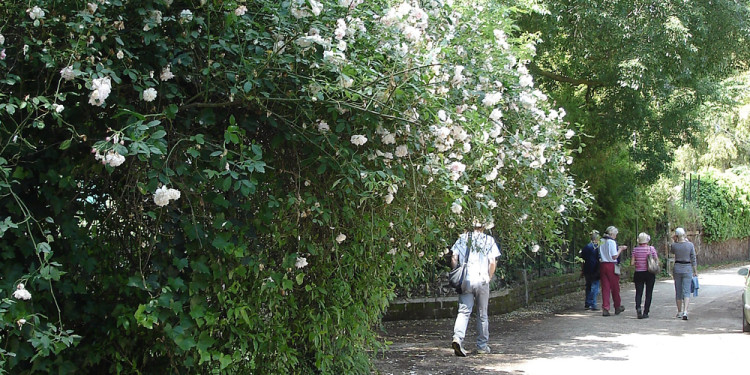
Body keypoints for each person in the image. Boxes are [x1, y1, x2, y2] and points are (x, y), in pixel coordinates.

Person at [450, 220, 501, 357]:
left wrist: (458, 271)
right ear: (484, 226)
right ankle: (482, 346)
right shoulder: (488, 240)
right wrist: (489, 277)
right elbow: (492, 262)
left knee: (463, 311)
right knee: (482, 313)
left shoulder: (462, 238)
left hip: (465, 280)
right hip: (482, 279)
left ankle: (458, 339)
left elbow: (454, 257)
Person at [598, 226, 627, 316]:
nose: (615, 236)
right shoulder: (611, 242)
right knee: (615, 287)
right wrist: (620, 249)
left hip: (603, 264)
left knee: (605, 287)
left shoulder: (601, 241)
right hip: (611, 265)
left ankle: (605, 308)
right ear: (611, 234)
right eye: (615, 234)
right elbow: (614, 256)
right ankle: (617, 306)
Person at [670, 227, 697, 320]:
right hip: (687, 268)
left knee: (678, 290)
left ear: (676, 236)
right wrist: (695, 271)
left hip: (677, 268)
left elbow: (672, 252)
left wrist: (674, 240)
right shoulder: (690, 245)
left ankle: (679, 312)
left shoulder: (674, 245)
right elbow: (693, 258)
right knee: (686, 291)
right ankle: (685, 311)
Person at [631, 232, 658, 319]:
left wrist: (638, 262)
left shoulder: (635, 250)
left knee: (639, 292)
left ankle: (638, 308)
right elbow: (657, 260)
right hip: (650, 273)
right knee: (648, 293)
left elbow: (632, 263)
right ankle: (646, 312)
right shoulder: (651, 249)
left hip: (638, 273)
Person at [579, 230, 601, 311]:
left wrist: (582, 270)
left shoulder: (585, 247)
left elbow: (582, 260)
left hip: (586, 269)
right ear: (596, 239)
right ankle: (593, 304)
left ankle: (587, 303)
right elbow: (599, 259)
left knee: (588, 286)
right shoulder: (596, 248)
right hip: (595, 269)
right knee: (595, 286)